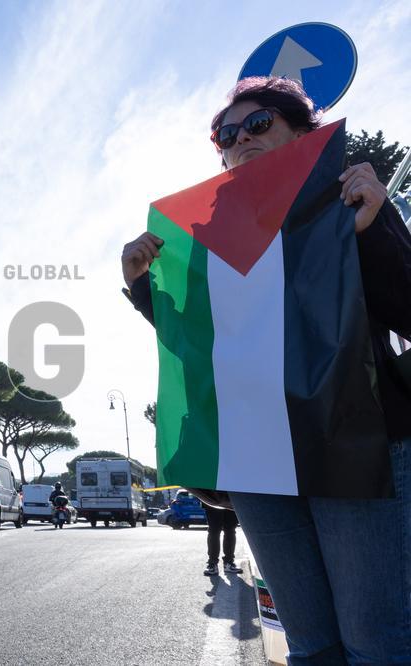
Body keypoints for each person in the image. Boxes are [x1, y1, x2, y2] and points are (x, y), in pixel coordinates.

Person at [121, 76, 411, 663]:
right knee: (307, 644)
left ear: (303, 133)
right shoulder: (207, 240)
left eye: (258, 124)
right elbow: (206, 348)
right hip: (258, 459)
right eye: (226, 136)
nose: (240, 140)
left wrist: (376, 226)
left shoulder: (349, 201)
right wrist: (145, 289)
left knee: (375, 644)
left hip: (355, 443)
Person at [202, 504, 242, 576]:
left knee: (230, 530)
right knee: (214, 530)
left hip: (230, 500)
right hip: (213, 500)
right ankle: (213, 564)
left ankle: (228, 563)